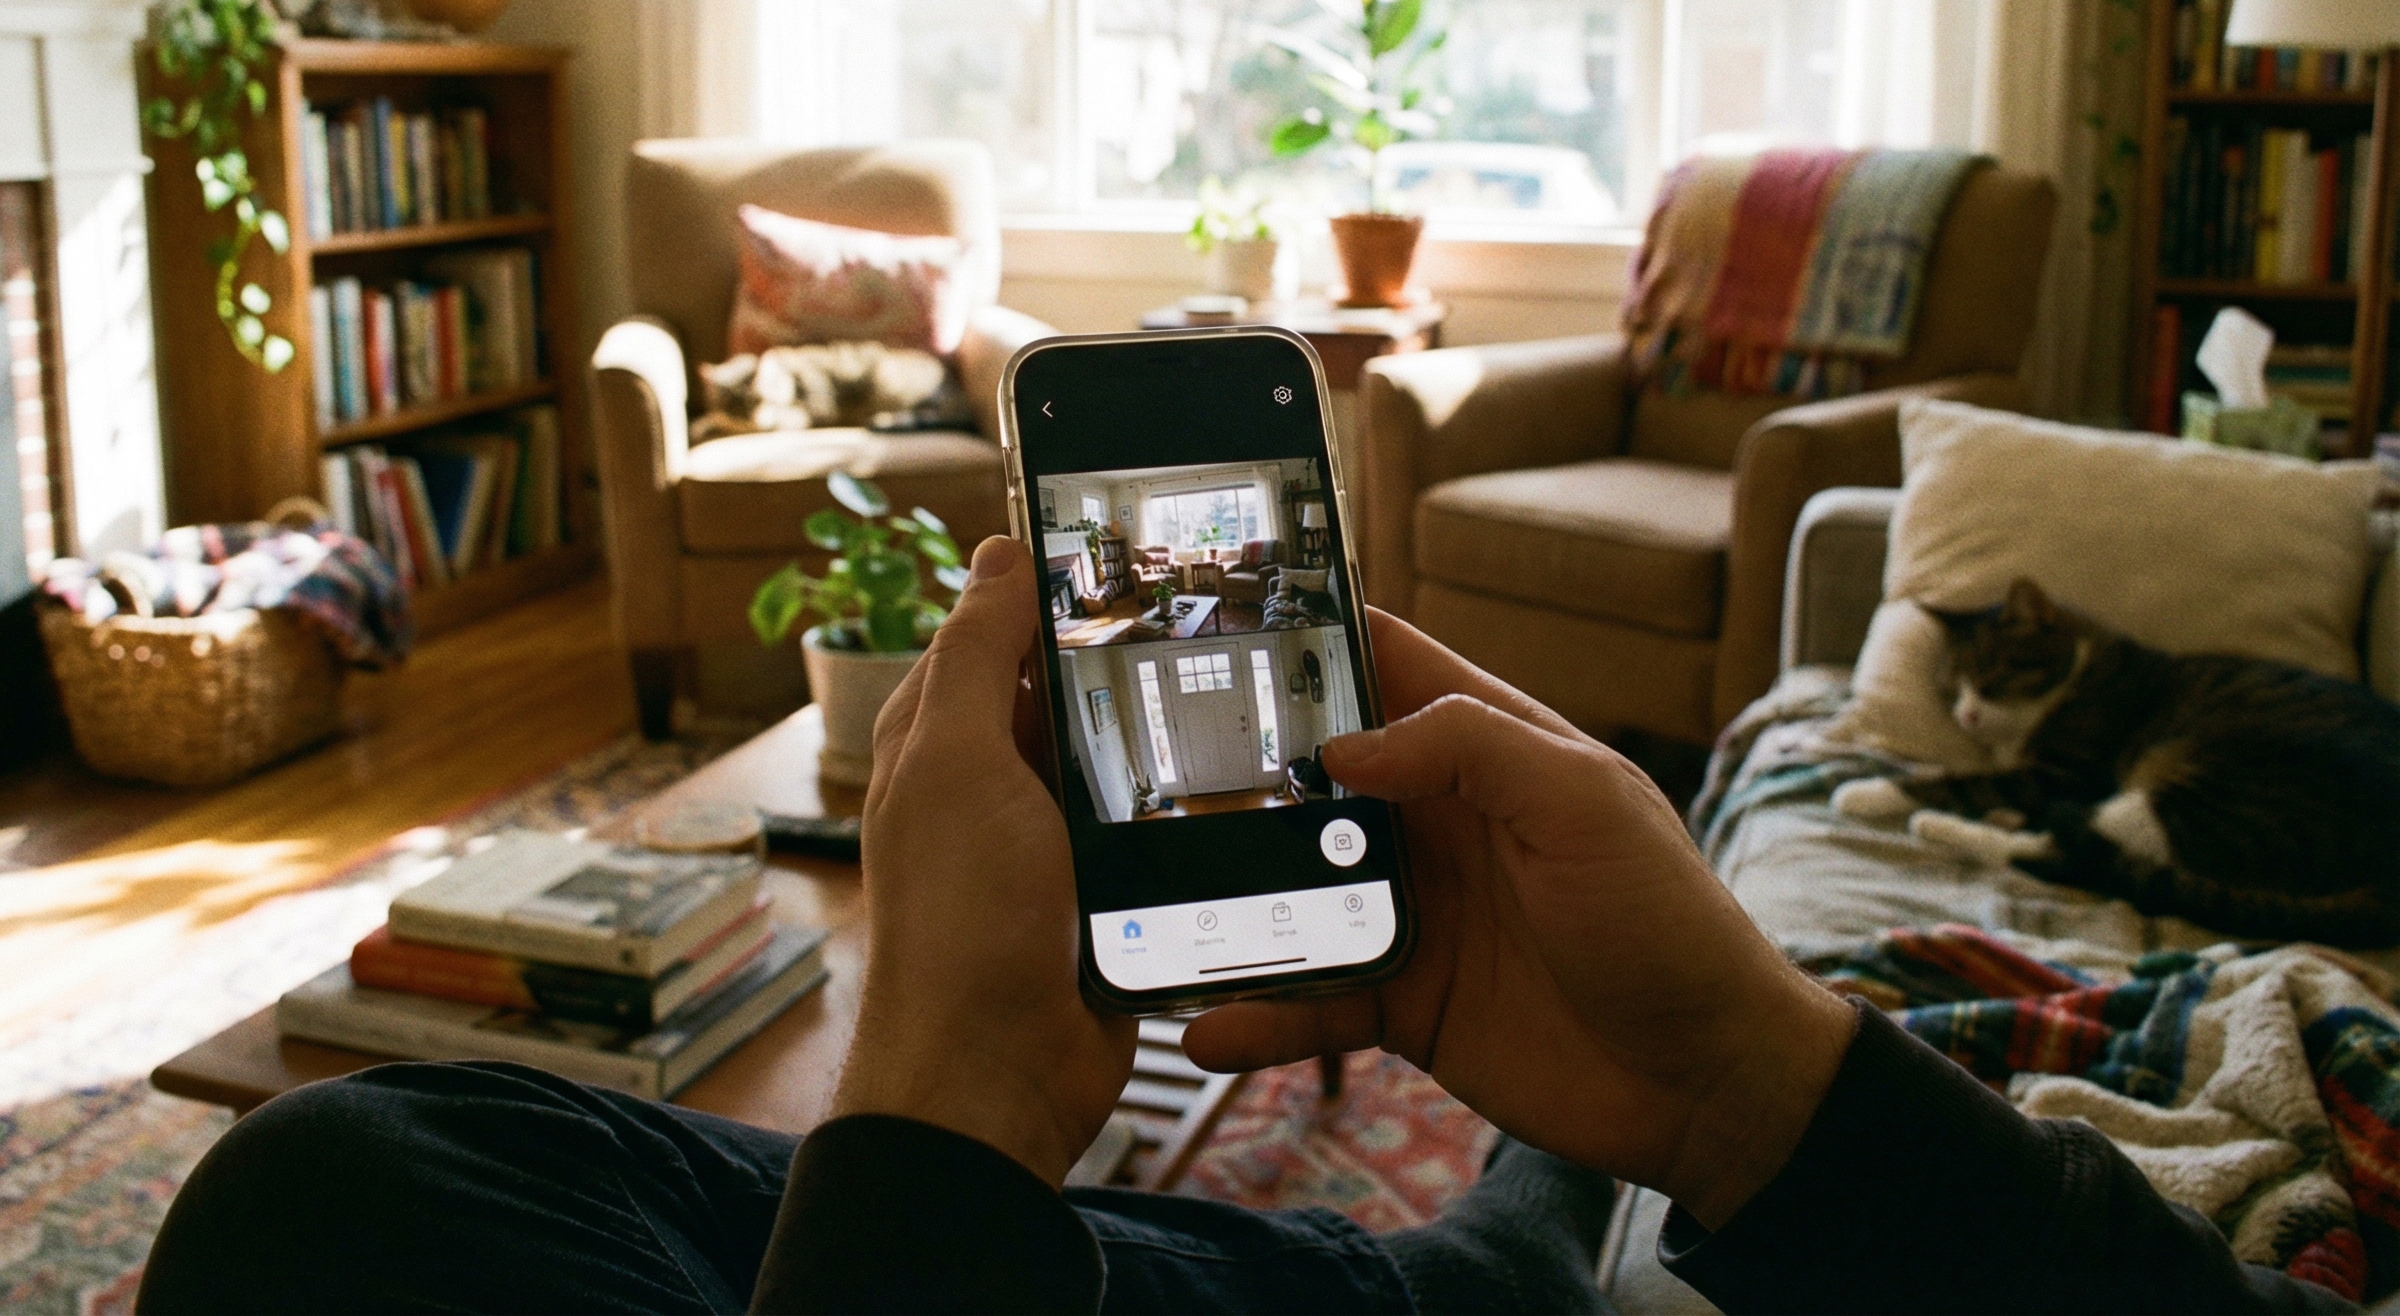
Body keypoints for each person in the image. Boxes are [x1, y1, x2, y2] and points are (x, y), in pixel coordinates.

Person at [139, 537, 2360, 1315]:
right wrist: (1741, 1078)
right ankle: (1487, 1267)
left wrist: (957, 1102)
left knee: (322, 1217)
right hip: (1896, 1225)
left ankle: (1475, 1275)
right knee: (358, 1164)